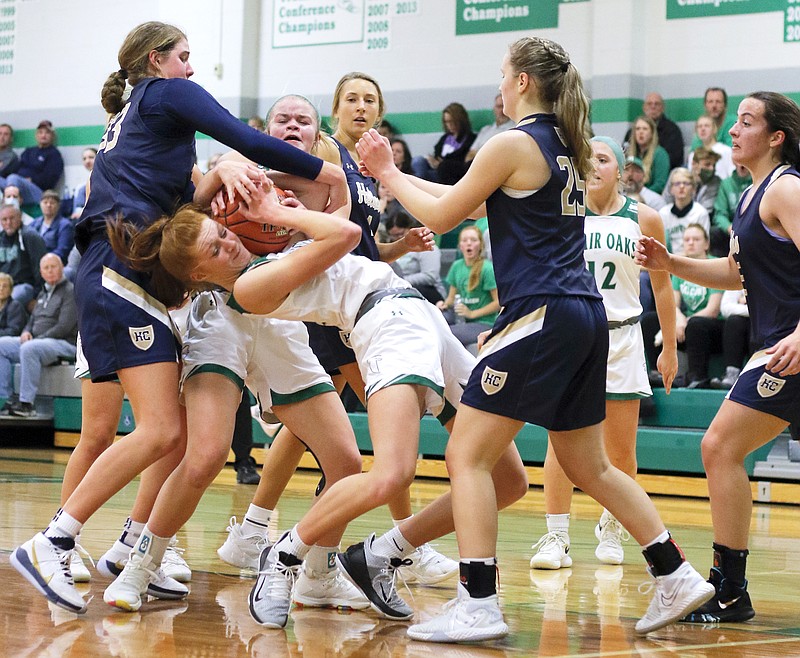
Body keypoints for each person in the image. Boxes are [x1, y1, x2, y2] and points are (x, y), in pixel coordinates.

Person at [357, 35, 712, 642]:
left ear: (523, 80)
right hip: (581, 315)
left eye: (502, 75)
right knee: (589, 464)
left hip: (542, 314)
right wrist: (396, 183)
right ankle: (674, 572)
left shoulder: (513, 142)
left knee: (468, 454)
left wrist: (389, 171)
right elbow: (466, 208)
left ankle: (478, 600)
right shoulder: (563, 146)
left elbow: (442, 219)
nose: (497, 86)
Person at [9, 20, 347, 616]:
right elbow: (248, 138)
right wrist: (330, 173)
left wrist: (216, 179)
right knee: (159, 431)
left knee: (172, 433)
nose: (191, 68)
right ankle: (54, 542)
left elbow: (179, 218)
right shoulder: (165, 93)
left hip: (131, 270)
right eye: (185, 57)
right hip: (118, 270)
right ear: (153, 59)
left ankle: (132, 547)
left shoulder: (141, 120)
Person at [103, 189, 496, 630]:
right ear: (198, 270)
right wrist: (242, 185)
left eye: (222, 235)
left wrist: (282, 196)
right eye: (215, 246)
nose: (228, 241)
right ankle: (141, 564)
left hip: (278, 324)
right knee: (208, 453)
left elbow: (332, 183)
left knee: (345, 461)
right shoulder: (233, 205)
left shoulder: (280, 190)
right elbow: (333, 224)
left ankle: (320, 574)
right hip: (222, 321)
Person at [217, 92, 458, 588]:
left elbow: (354, 233)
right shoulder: (268, 175)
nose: (362, 107)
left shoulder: (344, 166)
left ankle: (269, 534)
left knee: (317, 432)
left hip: (386, 297)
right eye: (353, 98)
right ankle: (380, 545)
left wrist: (397, 245)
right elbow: (339, 231)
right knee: (377, 455)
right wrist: (254, 192)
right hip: (355, 312)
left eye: (370, 99)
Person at [636, 91, 800, 624]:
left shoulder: (787, 188)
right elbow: (735, 274)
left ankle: (729, 588)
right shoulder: (752, 196)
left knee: (719, 446)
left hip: (791, 346)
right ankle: (730, 587)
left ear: (776, 137)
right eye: (733, 122)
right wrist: (670, 261)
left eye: (746, 122)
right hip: (775, 347)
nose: (733, 130)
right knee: (720, 449)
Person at [529, 136, 677, 570]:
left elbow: (664, 287)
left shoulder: (645, 218)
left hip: (624, 338)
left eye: (603, 158)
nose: (593, 165)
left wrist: (668, 346)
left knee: (621, 449)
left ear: (621, 169)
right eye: (586, 158)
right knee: (559, 444)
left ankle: (612, 526)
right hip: (571, 336)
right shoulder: (562, 215)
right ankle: (556, 536)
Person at [643, 224, 722, 389]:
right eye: (687, 239)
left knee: (696, 325)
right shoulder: (680, 266)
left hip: (711, 328)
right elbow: (673, 303)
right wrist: (678, 320)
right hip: (686, 326)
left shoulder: (715, 264)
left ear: (706, 244)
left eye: (696, 239)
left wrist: (685, 322)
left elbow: (713, 309)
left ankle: (697, 377)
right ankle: (655, 372)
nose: (691, 243)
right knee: (650, 320)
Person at [0, 253, 77, 417]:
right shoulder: (43, 293)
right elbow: (32, 319)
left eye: (53, 267)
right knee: (2, 345)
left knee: (29, 348)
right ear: (41, 272)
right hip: (38, 341)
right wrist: (26, 331)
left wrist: (37, 339)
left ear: (62, 268)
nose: (49, 271)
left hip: (65, 343)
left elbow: (64, 327)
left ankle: (26, 404)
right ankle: (4, 397)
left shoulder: (70, 292)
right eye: (46, 268)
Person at [437, 224, 499, 352]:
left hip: (483, 322)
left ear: (480, 245)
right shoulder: (456, 266)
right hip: (461, 316)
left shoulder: (487, 268)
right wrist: (443, 305)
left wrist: (471, 313)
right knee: (434, 322)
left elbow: (498, 303)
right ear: (460, 246)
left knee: (446, 334)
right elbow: (451, 298)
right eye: (465, 241)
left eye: (473, 240)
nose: (469, 244)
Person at [385, 211, 446, 304]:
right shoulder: (389, 247)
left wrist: (401, 281)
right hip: (398, 292)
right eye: (393, 235)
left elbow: (430, 276)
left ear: (409, 229)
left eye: (400, 234)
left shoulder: (425, 246)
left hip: (428, 293)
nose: (397, 238)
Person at [412, 102, 476, 184]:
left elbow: (462, 163)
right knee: (418, 160)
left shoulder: (470, 139)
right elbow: (437, 153)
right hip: (435, 168)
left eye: (452, 121)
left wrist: (441, 164)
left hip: (451, 174)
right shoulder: (445, 137)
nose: (450, 125)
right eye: (447, 122)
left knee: (423, 176)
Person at [2, 120, 64, 204]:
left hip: (39, 192)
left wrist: (32, 179)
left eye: (47, 133)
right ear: (36, 135)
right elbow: (17, 169)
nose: (43, 135)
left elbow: (50, 180)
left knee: (13, 178)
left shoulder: (54, 154)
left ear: (52, 136)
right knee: (10, 179)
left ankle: (11, 207)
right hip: (19, 185)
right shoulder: (29, 151)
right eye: (40, 132)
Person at [0, 203, 47, 306]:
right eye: (4, 219)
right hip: (3, 284)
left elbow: (40, 267)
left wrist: (37, 295)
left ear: (20, 217)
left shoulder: (30, 236)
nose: (8, 223)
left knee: (9, 299)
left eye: (12, 218)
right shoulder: (1, 238)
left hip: (24, 286)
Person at [624, 93, 684, 170]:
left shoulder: (672, 130)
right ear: (644, 107)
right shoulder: (632, 131)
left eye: (657, 104)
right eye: (649, 104)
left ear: (663, 108)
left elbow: (674, 159)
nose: (653, 107)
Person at [659, 168, 710, 254]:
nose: (681, 186)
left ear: (693, 189)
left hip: (693, 260)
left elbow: (704, 245)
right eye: (677, 183)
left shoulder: (700, 213)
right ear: (671, 189)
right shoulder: (663, 213)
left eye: (686, 183)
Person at [710, 289, 753, 390]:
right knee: (734, 321)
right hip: (744, 327)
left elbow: (770, 309)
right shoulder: (741, 275)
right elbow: (725, 308)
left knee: (757, 324)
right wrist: (752, 307)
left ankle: (755, 377)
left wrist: (746, 302)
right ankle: (731, 375)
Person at [625, 116, 670, 194]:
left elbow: (660, 184)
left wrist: (643, 195)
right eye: (638, 129)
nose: (641, 132)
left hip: (650, 197)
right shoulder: (628, 153)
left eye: (645, 129)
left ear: (652, 133)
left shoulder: (660, 154)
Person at [31, 189, 75, 264]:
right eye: (45, 202)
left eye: (52, 203)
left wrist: (45, 260)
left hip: (54, 263)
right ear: (40, 204)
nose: (48, 205)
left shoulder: (65, 225)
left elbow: (62, 251)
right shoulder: (35, 223)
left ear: (58, 206)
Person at [689, 115, 733, 179]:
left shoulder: (726, 151)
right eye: (699, 126)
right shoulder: (692, 155)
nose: (703, 129)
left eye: (706, 126)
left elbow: (731, 174)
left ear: (714, 129)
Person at [70, 148, 97, 220]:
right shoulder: (81, 187)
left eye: (91, 157)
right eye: (84, 159)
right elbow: (76, 211)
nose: (87, 161)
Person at [0, 272, 26, 337]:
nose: (1, 289)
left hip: (10, 341)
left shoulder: (15, 306)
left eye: (5, 286)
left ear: (11, 290)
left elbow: (13, 331)